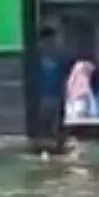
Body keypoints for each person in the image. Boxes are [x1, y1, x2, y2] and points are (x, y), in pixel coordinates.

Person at [37, 25, 67, 153]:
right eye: (48, 41)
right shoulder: (36, 59)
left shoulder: (59, 58)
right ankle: (44, 148)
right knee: (43, 125)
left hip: (56, 97)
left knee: (56, 125)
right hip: (42, 97)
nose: (50, 44)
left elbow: (63, 79)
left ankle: (57, 147)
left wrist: (63, 96)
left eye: (52, 41)